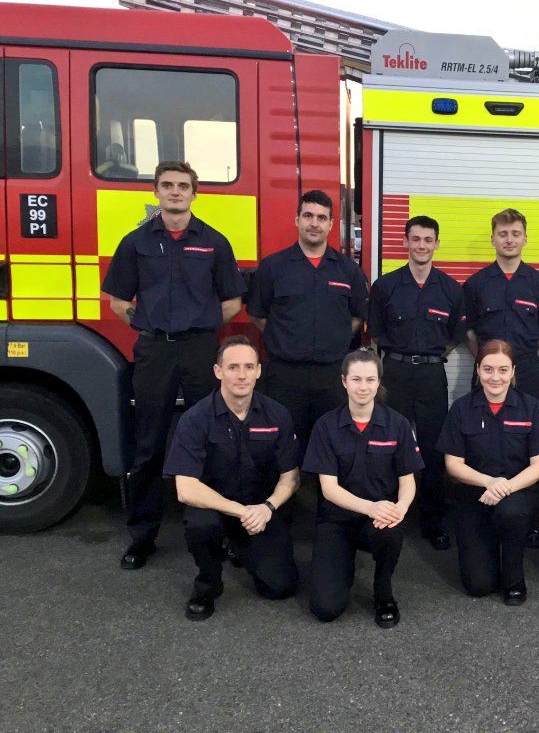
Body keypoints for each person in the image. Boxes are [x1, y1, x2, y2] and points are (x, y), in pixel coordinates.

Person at [102, 160, 246, 570]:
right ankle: (142, 536)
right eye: (168, 185)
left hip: (201, 350)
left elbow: (232, 302)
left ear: (195, 193)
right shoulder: (135, 243)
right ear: (156, 192)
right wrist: (151, 327)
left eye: (183, 186)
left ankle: (223, 533)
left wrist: (198, 329)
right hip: (155, 352)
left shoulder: (215, 242)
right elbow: (117, 301)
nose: (175, 192)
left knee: (216, 440)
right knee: (148, 445)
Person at [166, 336, 300, 620]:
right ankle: (208, 585)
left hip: (261, 509)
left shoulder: (277, 414)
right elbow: (186, 489)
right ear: (218, 372)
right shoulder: (195, 419)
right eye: (233, 367)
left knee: (280, 587)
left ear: (259, 371)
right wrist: (242, 512)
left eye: (249, 367)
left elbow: (291, 476)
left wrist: (267, 508)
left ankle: (239, 547)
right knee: (201, 526)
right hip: (215, 508)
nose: (242, 375)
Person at [302, 349, 421, 627]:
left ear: (379, 382)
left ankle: (383, 590)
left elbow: (408, 481)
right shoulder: (326, 426)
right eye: (356, 379)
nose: (363, 387)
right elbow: (329, 489)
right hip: (337, 520)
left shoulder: (398, 425)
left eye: (370, 379)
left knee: (391, 534)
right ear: (344, 381)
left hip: (380, 520)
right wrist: (370, 507)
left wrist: (398, 510)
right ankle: (343, 564)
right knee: (325, 609)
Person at [368, 216, 464, 551]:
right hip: (393, 373)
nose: (422, 245)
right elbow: (376, 333)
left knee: (434, 448)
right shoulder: (385, 286)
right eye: (416, 239)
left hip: (430, 374)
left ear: (437, 244)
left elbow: (454, 337)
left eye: (428, 240)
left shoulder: (451, 289)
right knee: (386, 445)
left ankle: (432, 521)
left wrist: (427, 357)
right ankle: (384, 513)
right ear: (405, 243)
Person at [247, 189, 368, 453]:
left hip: (332, 375)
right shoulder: (273, 268)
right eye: (308, 216)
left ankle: (327, 495)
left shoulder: (349, 271)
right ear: (297, 219)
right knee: (284, 447)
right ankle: (287, 495)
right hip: (285, 376)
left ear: (331, 224)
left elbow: (358, 316)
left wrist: (334, 339)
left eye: (322, 218)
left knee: (333, 446)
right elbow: (258, 313)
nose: (314, 223)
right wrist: (284, 337)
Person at [436, 340, 539, 605]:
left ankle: (514, 577)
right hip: (474, 495)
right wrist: (489, 482)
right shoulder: (461, 409)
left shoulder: (531, 408)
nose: (495, 377)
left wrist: (505, 487)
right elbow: (453, 465)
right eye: (488, 369)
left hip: (519, 494)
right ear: (478, 370)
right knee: (478, 585)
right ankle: (488, 548)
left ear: (513, 372)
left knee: (511, 511)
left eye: (503, 370)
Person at [463, 208, 539, 407]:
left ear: (525, 239)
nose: (509, 240)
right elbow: (469, 333)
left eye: (516, 234)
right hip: (487, 371)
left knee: (530, 428)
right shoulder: (475, 284)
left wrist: (518, 358)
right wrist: (490, 359)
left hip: (527, 371)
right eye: (503, 234)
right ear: (493, 239)